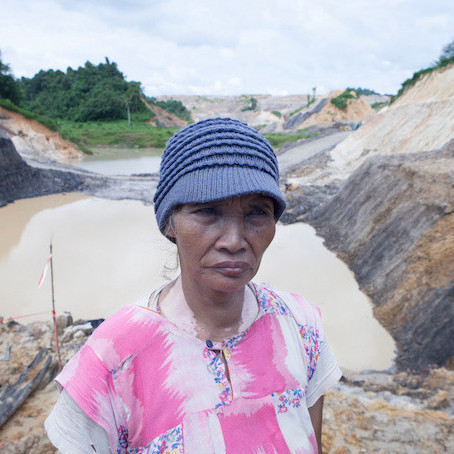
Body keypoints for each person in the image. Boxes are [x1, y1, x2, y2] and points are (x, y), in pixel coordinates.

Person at [45, 117, 342, 454]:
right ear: (169, 223)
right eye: (207, 211)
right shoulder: (110, 363)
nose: (234, 241)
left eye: (256, 213)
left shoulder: (302, 326)